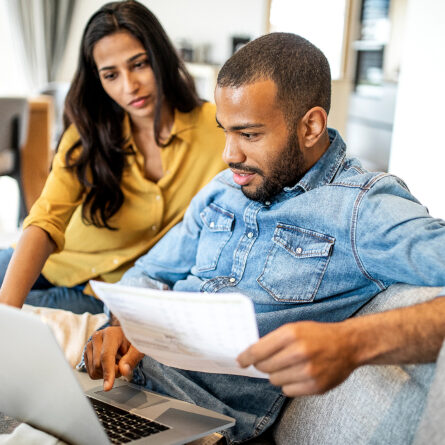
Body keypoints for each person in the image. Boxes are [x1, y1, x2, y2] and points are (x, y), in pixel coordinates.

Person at [84, 33, 445, 443]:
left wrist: (352, 342)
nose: (229, 155)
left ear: (310, 126)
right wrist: (121, 324)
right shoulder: (223, 190)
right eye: (225, 132)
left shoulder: (361, 209)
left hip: (196, 421)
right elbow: (150, 271)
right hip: (122, 385)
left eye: (249, 135)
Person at [0, 0, 226, 313]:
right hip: (39, 261)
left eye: (139, 64)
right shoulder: (88, 132)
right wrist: (8, 311)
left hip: (102, 291)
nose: (129, 86)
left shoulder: (219, 130)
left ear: (161, 57)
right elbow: (45, 219)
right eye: (110, 75)